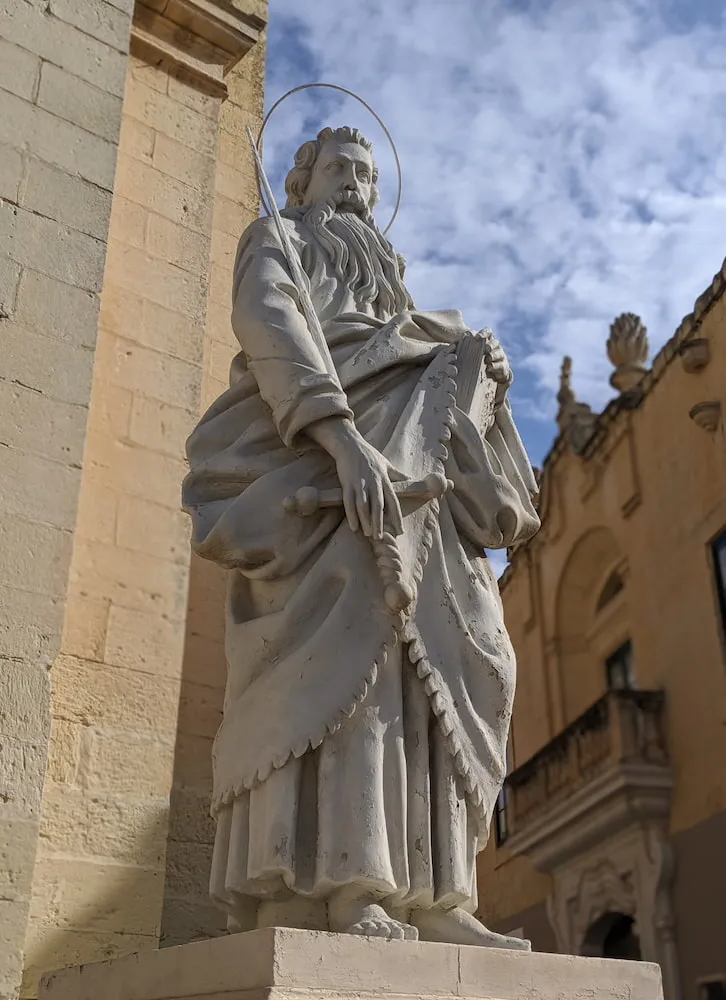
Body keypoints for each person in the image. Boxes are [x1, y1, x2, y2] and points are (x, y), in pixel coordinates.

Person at [182, 126, 540, 946]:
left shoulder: (400, 300)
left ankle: (440, 894)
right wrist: (344, 443)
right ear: (303, 181)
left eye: (368, 175)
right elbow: (276, 329)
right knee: (358, 671)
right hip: (319, 474)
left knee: (456, 659)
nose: (356, 185)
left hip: (424, 499)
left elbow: (439, 379)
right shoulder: (278, 239)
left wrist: (481, 372)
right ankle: (346, 884)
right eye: (341, 169)